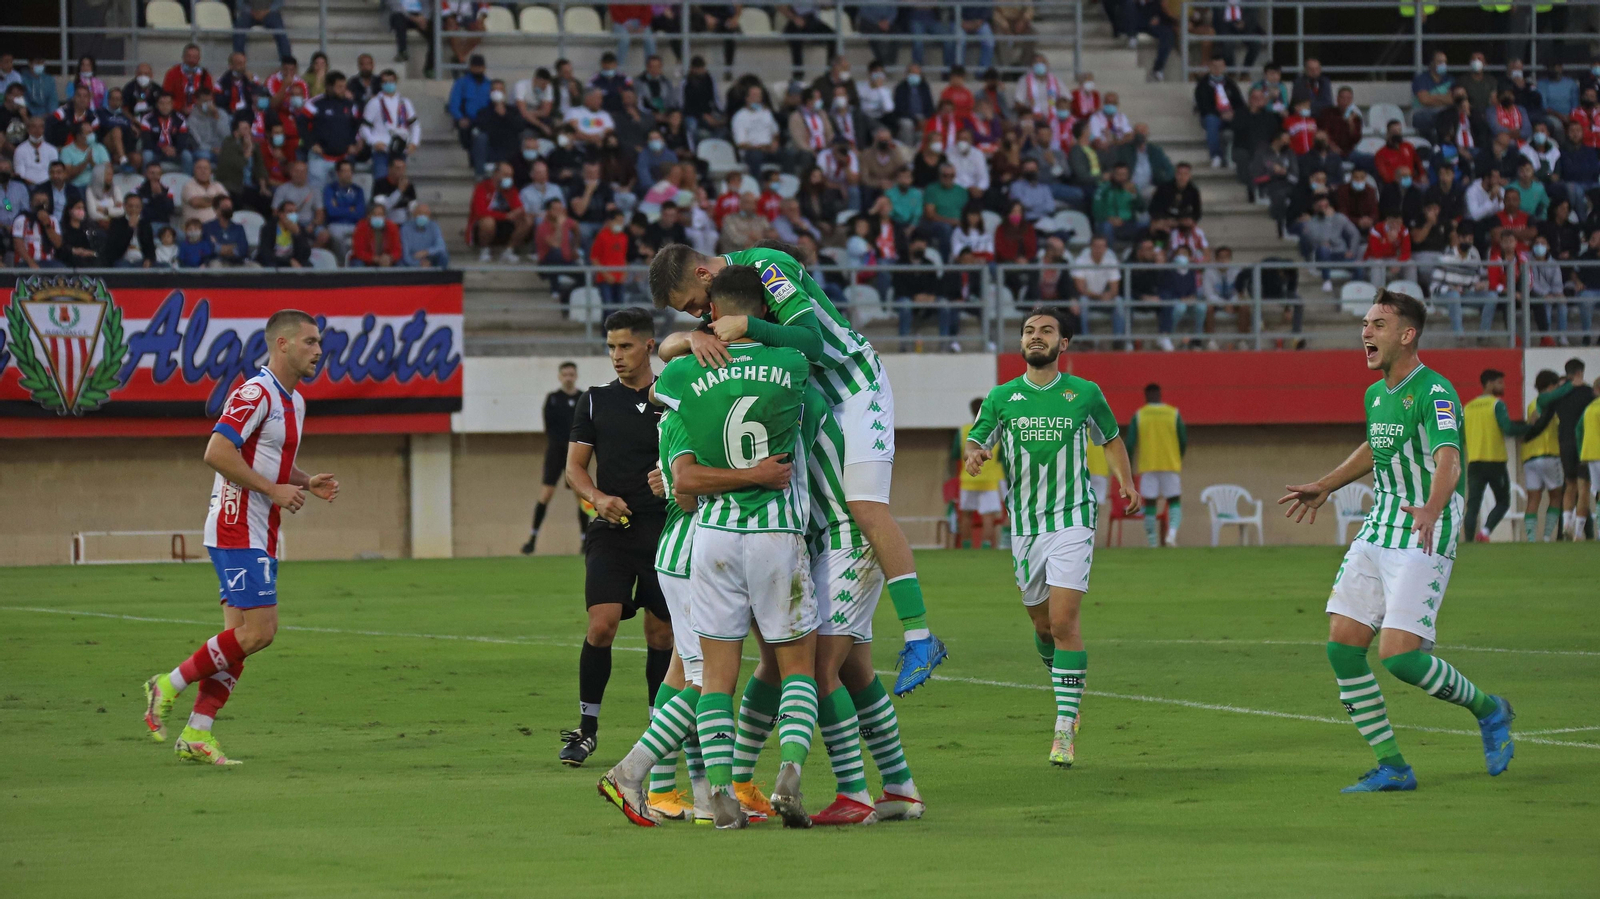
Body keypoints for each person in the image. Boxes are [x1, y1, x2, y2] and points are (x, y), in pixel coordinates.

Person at [649, 242, 949, 692]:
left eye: (692, 304)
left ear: (702, 274)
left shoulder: (765, 267)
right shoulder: (728, 296)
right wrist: (693, 337)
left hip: (853, 385)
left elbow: (811, 340)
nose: (696, 314)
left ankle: (920, 636)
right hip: (814, 394)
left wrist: (749, 325)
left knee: (864, 506)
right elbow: (669, 348)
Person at [1279, 290, 1515, 793]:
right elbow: (1375, 445)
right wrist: (1327, 483)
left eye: (1378, 324)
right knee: (1343, 648)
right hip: (1380, 523)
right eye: (1365, 323)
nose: (1366, 332)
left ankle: (1490, 709)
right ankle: (1393, 767)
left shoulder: (1436, 392)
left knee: (1400, 657)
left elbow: (1448, 457)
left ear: (1407, 335)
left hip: (1425, 527)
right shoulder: (1376, 394)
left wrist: (1432, 506)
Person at [140, 310, 338, 765]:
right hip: (236, 524)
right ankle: (166, 684)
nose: (318, 351)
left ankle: (197, 733)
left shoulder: (296, 402)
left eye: (319, 343)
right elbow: (216, 451)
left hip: (259, 527)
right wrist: (273, 489)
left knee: (239, 639)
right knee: (260, 632)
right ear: (283, 344)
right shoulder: (254, 392)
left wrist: (305, 482)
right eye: (310, 342)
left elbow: (270, 463)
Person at [965, 307, 1137, 766]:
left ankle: (1064, 727)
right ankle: (1067, 687)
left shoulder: (1084, 393)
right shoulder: (1002, 397)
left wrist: (1125, 480)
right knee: (1042, 628)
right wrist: (975, 454)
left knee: (1063, 623)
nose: (1035, 336)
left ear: (1064, 344)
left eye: (1046, 331)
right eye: (1028, 330)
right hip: (1024, 526)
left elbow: (1112, 438)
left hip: (1072, 520)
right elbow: (978, 438)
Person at [556, 308, 673, 768]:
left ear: (648, 345)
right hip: (613, 529)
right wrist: (598, 498)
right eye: (610, 347)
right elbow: (574, 469)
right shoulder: (594, 400)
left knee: (660, 633)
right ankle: (586, 730)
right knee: (601, 624)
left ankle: (656, 732)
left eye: (625, 346)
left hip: (666, 528)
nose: (616, 356)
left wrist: (675, 478)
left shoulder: (675, 394)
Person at [1524, 358, 1597, 539]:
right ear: (1581, 372)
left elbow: (1542, 420)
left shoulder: (1554, 397)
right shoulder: (1589, 393)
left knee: (1568, 486)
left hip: (1559, 446)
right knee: (1582, 489)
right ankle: (1577, 532)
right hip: (1581, 446)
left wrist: (1528, 434)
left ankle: (1562, 530)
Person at [520, 362, 586, 556]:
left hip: (576, 452)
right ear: (559, 377)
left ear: (576, 376)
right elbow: (549, 427)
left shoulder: (583, 398)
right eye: (564, 374)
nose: (568, 377)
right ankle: (532, 539)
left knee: (582, 495)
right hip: (556, 452)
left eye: (571, 374)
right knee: (546, 493)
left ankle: (586, 539)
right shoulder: (552, 399)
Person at [1462, 368, 1531, 542]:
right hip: (1495, 461)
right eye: (1500, 382)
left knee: (1473, 505)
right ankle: (1484, 533)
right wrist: (1529, 426)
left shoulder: (1468, 407)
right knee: (1503, 502)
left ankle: (1468, 541)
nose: (1503, 386)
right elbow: (1508, 428)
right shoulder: (1496, 404)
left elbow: (1461, 436)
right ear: (1490, 383)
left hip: (1475, 462)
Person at [1125, 383, 1186, 546]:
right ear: (1160, 394)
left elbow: (1130, 443)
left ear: (1146, 396)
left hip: (1148, 466)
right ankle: (1171, 534)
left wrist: (1129, 466)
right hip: (1170, 464)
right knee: (1174, 500)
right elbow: (1183, 439)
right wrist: (1178, 456)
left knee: (1150, 503)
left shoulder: (1140, 415)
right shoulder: (1173, 413)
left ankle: (1152, 543)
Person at [1521, 370, 1566, 541]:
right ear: (1551, 386)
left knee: (1533, 498)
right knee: (1556, 495)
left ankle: (1531, 539)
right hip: (1548, 454)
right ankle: (1547, 536)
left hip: (1529, 457)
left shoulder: (1531, 404)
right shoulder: (1550, 405)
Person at [955, 396, 1003, 549]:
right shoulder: (995, 430)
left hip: (969, 478)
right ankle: (987, 547)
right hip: (989, 480)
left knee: (967, 514)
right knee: (988, 516)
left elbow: (955, 453)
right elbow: (1003, 456)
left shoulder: (964, 430)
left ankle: (966, 546)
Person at [362, 70, 420, 183]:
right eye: (385, 81)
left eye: (391, 81)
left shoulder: (405, 102)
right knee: (381, 182)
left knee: (399, 182)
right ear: (381, 84)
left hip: (400, 149)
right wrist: (373, 142)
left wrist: (414, 143)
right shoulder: (374, 102)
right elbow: (364, 127)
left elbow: (415, 125)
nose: (388, 84)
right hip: (382, 150)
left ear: (396, 82)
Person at [1196, 56, 1245, 169]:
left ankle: (1233, 157)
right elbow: (1204, 106)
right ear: (1209, 67)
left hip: (1230, 115)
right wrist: (1221, 115)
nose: (1217, 69)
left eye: (1220, 66)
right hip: (1213, 116)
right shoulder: (1203, 85)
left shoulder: (1230, 84)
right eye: (1214, 66)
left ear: (1224, 67)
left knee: (1242, 120)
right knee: (1211, 120)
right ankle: (1216, 156)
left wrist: (1233, 114)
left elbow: (1240, 104)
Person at [163, 45, 215, 116]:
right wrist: (181, 108)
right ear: (183, 57)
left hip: (199, 113)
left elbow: (209, 97)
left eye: (195, 57)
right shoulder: (172, 73)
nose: (191, 60)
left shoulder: (205, 75)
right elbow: (165, 96)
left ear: (199, 59)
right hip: (176, 113)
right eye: (188, 56)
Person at [349, 200, 401, 267]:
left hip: (386, 260)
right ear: (368, 216)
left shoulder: (392, 227)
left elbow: (397, 250)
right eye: (374, 214)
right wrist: (375, 259)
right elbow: (359, 251)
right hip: (366, 260)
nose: (377, 217)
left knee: (400, 263)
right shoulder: (361, 227)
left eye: (380, 214)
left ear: (384, 216)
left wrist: (390, 257)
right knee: (358, 263)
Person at [202, 195, 250, 267]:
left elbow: (243, 248)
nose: (229, 208)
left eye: (230, 206)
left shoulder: (239, 228)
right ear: (216, 209)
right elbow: (209, 248)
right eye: (225, 206)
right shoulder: (207, 227)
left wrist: (221, 247)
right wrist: (232, 247)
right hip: (217, 261)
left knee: (256, 267)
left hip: (237, 261)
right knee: (215, 266)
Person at [400, 201, 447, 267]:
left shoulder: (434, 226)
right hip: (413, 259)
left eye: (425, 214)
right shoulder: (405, 228)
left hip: (430, 258)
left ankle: (441, 276)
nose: (422, 216)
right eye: (419, 213)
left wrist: (426, 252)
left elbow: (441, 246)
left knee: (443, 256)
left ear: (429, 215)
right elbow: (405, 254)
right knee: (401, 262)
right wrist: (419, 263)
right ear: (414, 214)